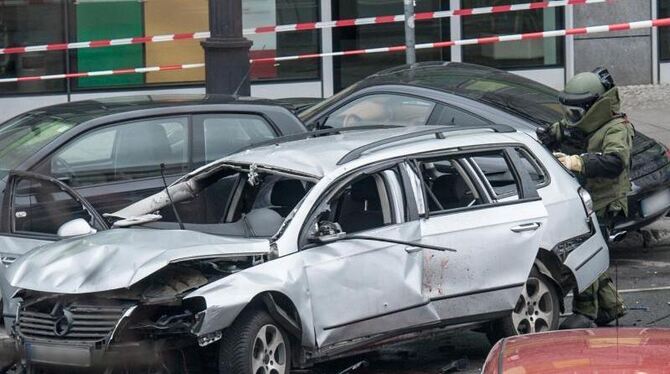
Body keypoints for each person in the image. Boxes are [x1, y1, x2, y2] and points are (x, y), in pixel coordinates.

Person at [537, 67, 632, 329]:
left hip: (605, 201)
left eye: (575, 112)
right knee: (590, 255)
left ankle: (585, 313)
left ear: (594, 107)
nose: (570, 118)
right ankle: (610, 307)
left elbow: (615, 161)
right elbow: (554, 132)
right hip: (582, 199)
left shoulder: (616, 128)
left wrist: (576, 162)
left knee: (586, 254)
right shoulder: (578, 123)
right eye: (568, 111)